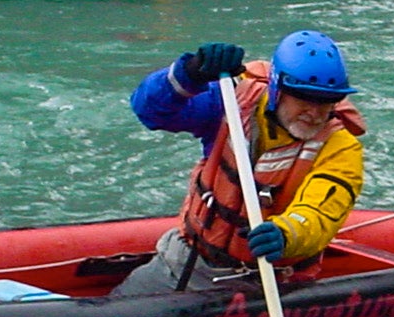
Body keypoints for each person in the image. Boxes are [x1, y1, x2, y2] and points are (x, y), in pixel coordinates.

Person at [113, 31, 366, 296]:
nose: (314, 114)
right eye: (303, 99)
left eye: (325, 103)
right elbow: (150, 111)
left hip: (268, 283)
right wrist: (190, 73)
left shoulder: (341, 148)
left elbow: (320, 213)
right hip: (187, 262)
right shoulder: (232, 102)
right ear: (277, 89)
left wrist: (286, 234)